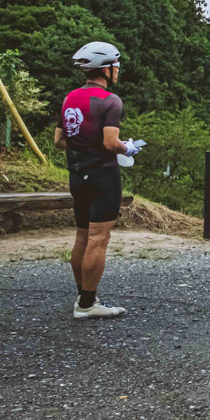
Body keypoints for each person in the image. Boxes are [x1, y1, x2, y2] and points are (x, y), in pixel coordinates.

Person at [54, 41, 143, 319]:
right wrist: (127, 148)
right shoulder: (111, 101)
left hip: (77, 175)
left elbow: (59, 141)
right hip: (103, 176)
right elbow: (110, 142)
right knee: (98, 238)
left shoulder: (69, 98)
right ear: (106, 69)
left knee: (82, 236)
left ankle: (83, 296)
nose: (118, 71)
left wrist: (85, 148)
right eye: (116, 66)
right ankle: (87, 305)